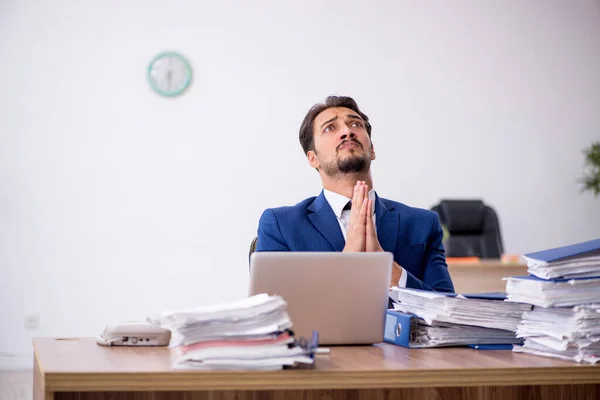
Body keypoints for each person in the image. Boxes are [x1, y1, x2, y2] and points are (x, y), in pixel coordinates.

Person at [254, 95, 454, 292]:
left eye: (355, 125)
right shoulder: (281, 225)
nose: (347, 132)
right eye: (330, 128)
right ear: (313, 158)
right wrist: (347, 263)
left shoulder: (423, 224)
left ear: (372, 150)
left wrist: (389, 271)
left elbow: (447, 312)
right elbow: (275, 315)